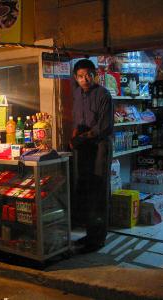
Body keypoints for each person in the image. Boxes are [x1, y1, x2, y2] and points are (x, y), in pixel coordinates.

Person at [70, 59, 114, 253]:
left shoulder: (103, 94)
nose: (85, 79)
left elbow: (104, 127)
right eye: (80, 76)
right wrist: (74, 137)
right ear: (75, 78)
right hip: (83, 148)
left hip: (99, 147)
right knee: (85, 189)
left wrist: (82, 137)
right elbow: (77, 121)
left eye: (88, 75)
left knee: (98, 190)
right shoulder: (77, 94)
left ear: (95, 75)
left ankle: (97, 239)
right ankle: (89, 234)